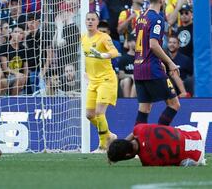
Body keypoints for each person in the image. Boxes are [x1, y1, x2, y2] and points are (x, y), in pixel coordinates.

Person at [133, 0, 181, 127]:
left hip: (138, 68)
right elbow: (153, 44)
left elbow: (144, 45)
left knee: (144, 108)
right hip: (151, 69)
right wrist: (170, 63)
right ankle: (158, 137)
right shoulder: (157, 19)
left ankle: (136, 144)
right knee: (174, 104)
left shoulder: (141, 18)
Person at [81, 12, 119, 153]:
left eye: (93, 19)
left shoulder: (104, 37)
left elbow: (115, 52)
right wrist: (86, 72)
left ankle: (103, 146)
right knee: (89, 115)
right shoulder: (83, 38)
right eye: (88, 19)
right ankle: (109, 135)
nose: (90, 22)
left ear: (97, 22)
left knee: (99, 112)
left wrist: (103, 55)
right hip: (93, 80)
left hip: (106, 79)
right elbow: (87, 58)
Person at [107, 124, 206, 166]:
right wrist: (121, 145)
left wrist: (119, 151)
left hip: (197, 157)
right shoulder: (140, 128)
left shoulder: (147, 161)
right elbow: (133, 133)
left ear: (127, 155)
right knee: (175, 131)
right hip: (195, 133)